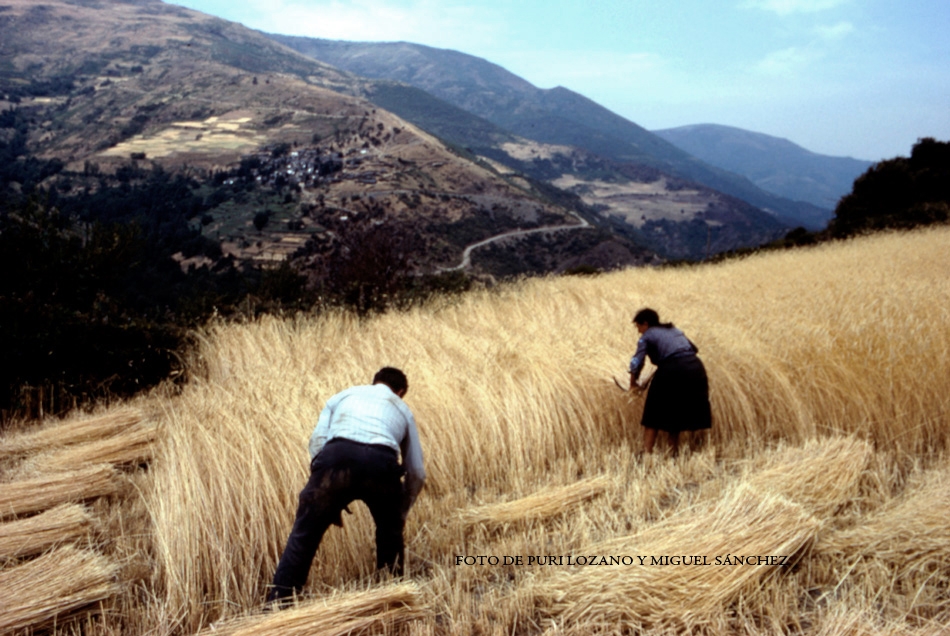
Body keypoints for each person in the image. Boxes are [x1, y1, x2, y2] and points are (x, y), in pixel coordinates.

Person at [268, 367, 425, 603]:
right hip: (381, 464)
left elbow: (318, 441)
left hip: (336, 458)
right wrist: (399, 512)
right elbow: (417, 472)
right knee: (389, 534)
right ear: (400, 391)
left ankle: (278, 603)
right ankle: (391, 600)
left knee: (304, 535)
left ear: (374, 382)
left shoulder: (343, 395)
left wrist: (324, 488)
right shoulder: (402, 409)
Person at [628, 308, 711, 455]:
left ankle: (646, 453)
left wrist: (633, 384)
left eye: (638, 327)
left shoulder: (647, 335)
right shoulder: (674, 330)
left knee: (652, 412)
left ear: (646, 324)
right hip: (695, 368)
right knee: (677, 410)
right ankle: (673, 452)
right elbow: (693, 349)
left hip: (673, 369)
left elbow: (637, 361)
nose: (639, 331)